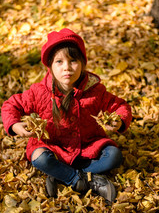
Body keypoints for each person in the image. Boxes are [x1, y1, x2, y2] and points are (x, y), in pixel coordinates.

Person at [1, 28, 132, 204]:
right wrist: (15, 125)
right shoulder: (39, 92)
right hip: (54, 148)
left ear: (83, 63)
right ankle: (81, 179)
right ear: (50, 66)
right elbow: (11, 105)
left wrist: (118, 120)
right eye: (59, 62)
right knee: (39, 157)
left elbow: (121, 106)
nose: (67, 68)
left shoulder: (95, 91)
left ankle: (64, 175)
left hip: (88, 147)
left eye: (73, 61)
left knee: (114, 156)